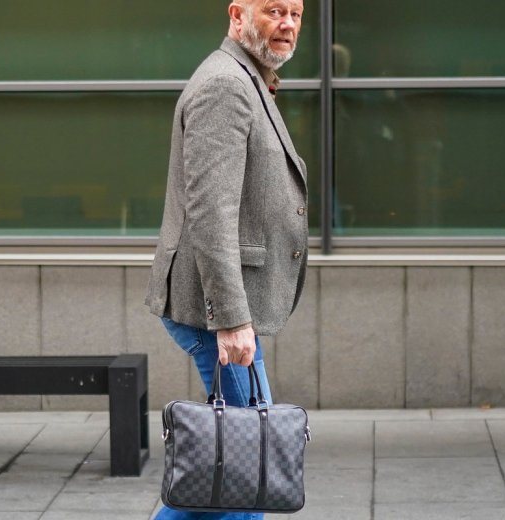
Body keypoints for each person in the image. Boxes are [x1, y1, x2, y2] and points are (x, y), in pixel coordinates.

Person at [144, 1, 308, 518]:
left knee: (236, 459)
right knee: (249, 459)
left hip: (222, 305)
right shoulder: (224, 85)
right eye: (274, 10)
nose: (288, 24)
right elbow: (210, 214)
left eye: (297, 13)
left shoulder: (248, 79)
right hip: (213, 309)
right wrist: (232, 320)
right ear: (237, 15)